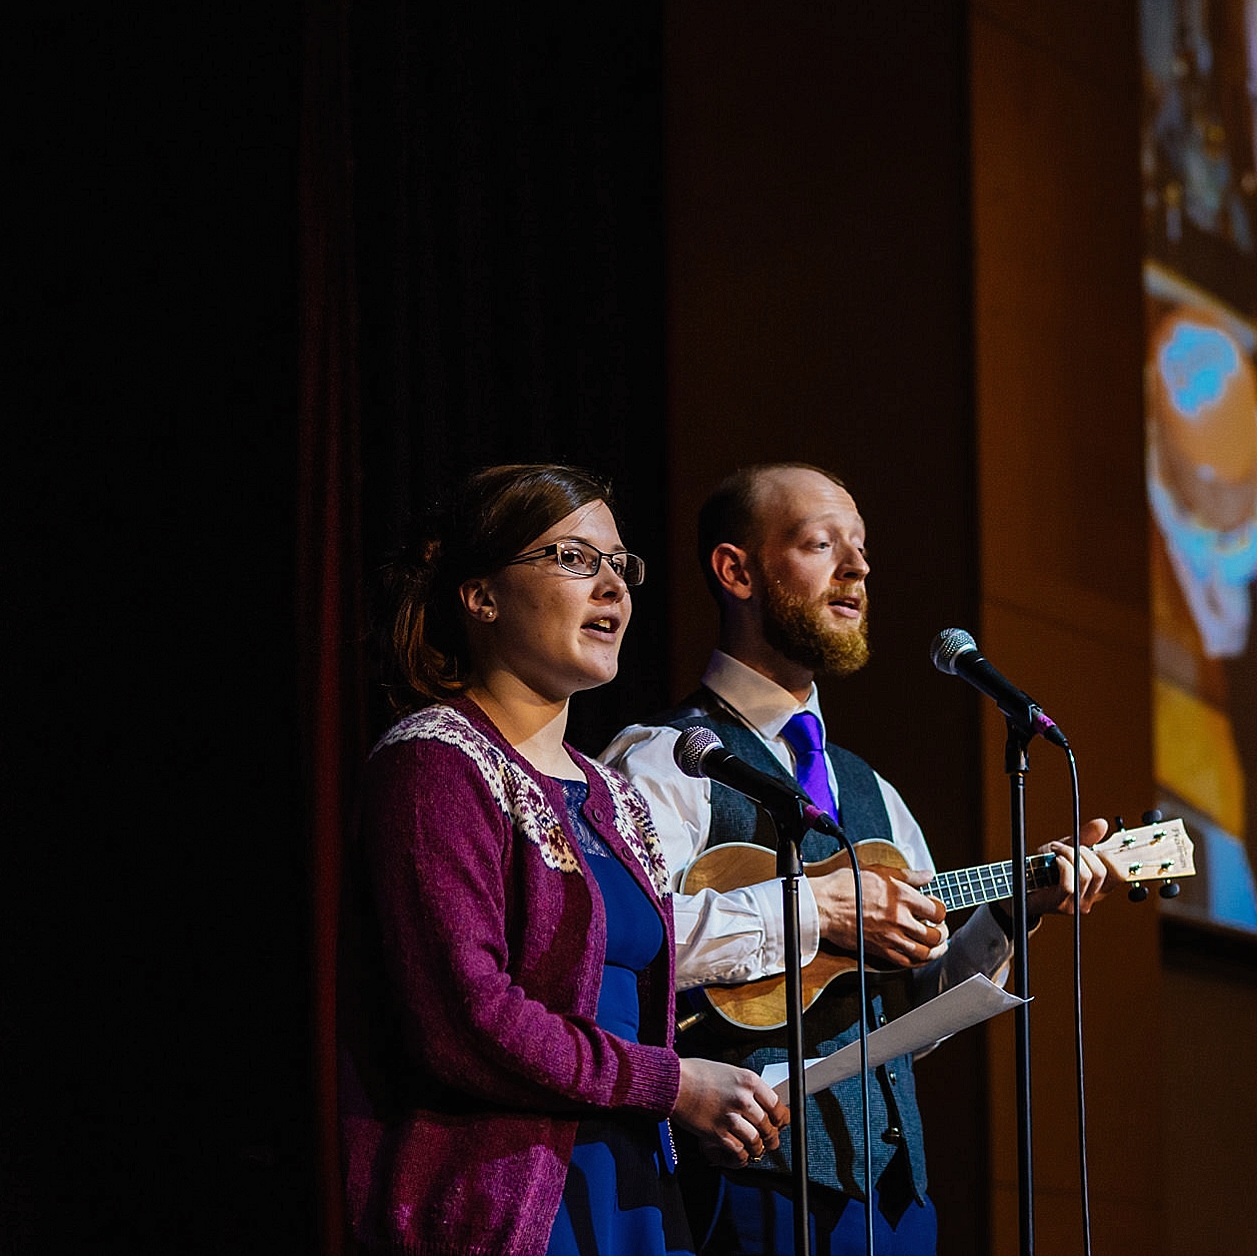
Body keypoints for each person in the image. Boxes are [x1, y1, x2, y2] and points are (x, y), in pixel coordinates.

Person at [602, 463, 1113, 1255]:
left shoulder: (873, 791)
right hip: (743, 1185)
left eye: (862, 547)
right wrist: (822, 907)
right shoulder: (665, 757)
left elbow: (910, 1008)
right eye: (820, 543)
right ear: (736, 570)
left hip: (891, 1198)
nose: (859, 566)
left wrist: (1013, 912)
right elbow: (630, 944)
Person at [339, 464, 789, 1255]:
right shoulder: (433, 764)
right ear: (480, 596)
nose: (612, 586)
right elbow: (469, 1021)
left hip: (632, 1193)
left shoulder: (613, 796)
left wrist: (709, 1105)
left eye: (620, 563)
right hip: (503, 1206)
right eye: (575, 558)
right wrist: (673, 1085)